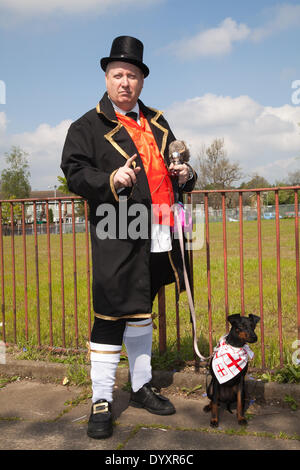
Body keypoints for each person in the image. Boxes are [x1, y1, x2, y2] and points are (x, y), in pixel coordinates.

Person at [61, 36, 197, 439]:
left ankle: (140, 387)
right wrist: (110, 179)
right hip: (116, 230)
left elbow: (178, 164)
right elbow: (74, 173)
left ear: (141, 80)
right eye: (118, 74)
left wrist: (186, 176)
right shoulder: (86, 125)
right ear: (106, 78)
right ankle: (102, 398)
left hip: (160, 229)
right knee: (109, 313)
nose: (125, 82)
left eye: (132, 75)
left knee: (141, 310)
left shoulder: (158, 120)